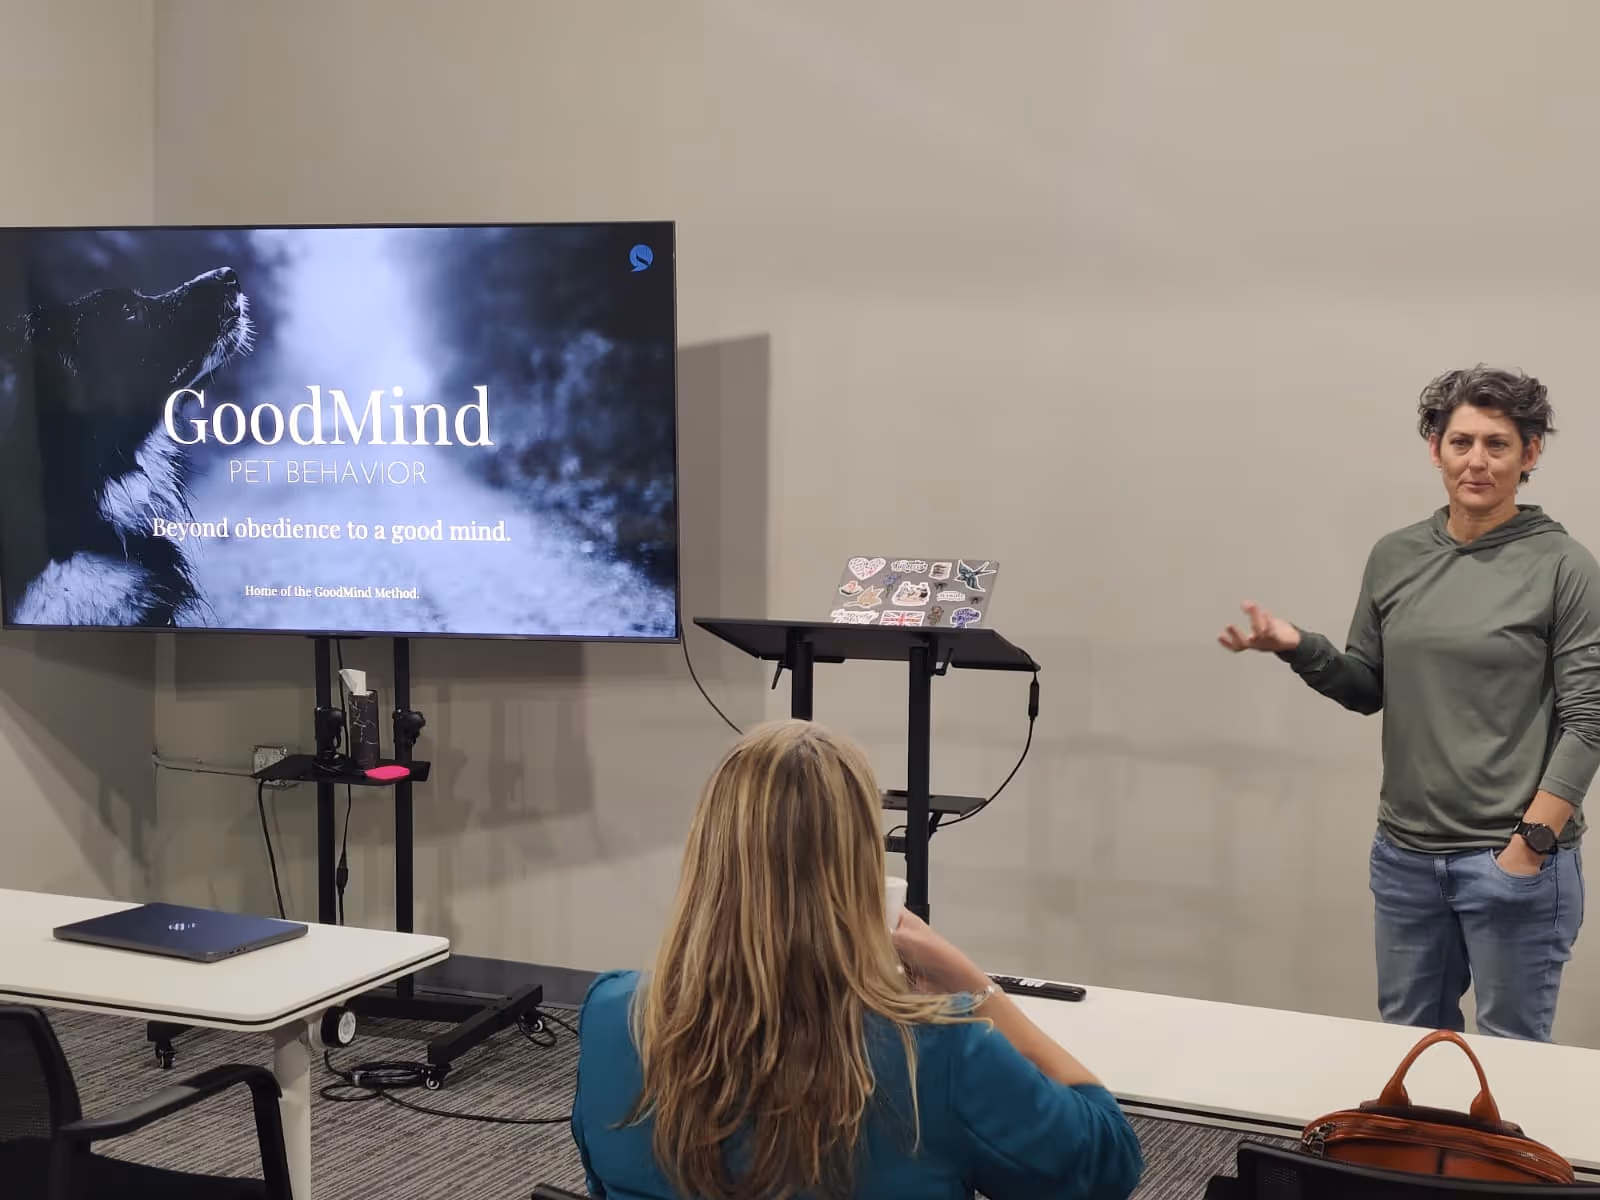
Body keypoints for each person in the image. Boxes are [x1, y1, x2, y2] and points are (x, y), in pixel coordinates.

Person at [569, 720, 1143, 1200]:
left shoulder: (611, 1013)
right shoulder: (939, 1050)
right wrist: (976, 989)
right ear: (857, 867)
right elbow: (1106, 1163)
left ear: (707, 853)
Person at [1219, 365, 1600, 1043]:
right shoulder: (1395, 556)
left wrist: (1531, 845)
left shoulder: (1565, 567)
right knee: (1409, 1052)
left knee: (1512, 1064)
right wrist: (1295, 645)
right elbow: (1369, 687)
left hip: (1511, 860)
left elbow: (1590, 718)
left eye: (1497, 444)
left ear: (1530, 453)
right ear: (1435, 449)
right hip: (1406, 859)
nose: (1476, 461)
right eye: (1461, 442)